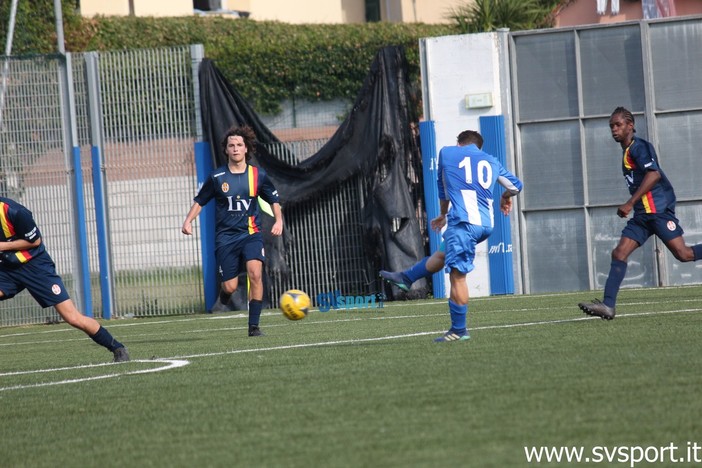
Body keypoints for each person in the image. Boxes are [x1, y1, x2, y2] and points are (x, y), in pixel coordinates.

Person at [578, 107, 702, 320]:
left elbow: (653, 174)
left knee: (684, 255)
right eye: (611, 126)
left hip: (658, 212)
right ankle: (608, 306)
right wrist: (634, 206)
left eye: (618, 125)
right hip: (642, 217)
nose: (614, 130)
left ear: (630, 125)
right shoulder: (627, 152)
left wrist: (629, 202)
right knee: (619, 253)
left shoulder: (639, 147)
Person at [182, 125, 283, 336]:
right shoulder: (217, 177)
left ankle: (253, 327)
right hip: (226, 238)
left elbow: (274, 200)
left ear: (246, 149)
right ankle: (225, 295)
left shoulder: (258, 175)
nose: (235, 148)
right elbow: (200, 201)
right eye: (231, 145)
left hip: (251, 234)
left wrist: (278, 221)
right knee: (229, 286)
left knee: (255, 274)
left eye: (239, 145)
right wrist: (188, 221)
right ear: (226, 150)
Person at [0, 197, 129, 362]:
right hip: (9, 268)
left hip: (36, 267)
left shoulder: (14, 211)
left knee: (72, 317)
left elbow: (35, 241)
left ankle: (117, 348)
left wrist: (3, 246)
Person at [432, 130, 522, 342]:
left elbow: (443, 190)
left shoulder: (448, 153)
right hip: (486, 225)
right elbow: (516, 186)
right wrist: (505, 197)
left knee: (457, 275)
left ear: (459, 143)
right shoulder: (490, 161)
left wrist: (443, 214)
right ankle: (408, 277)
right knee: (448, 260)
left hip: (464, 222)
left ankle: (458, 330)